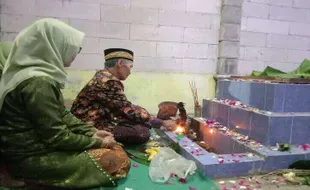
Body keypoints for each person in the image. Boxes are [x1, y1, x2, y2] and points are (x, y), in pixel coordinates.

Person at [0, 18, 130, 189]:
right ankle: (29, 178)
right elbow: (56, 136)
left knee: (116, 147)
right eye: (75, 47)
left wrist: (92, 132)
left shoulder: (37, 76)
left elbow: (62, 114)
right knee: (116, 159)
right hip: (30, 157)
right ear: (54, 45)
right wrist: (97, 142)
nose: (76, 53)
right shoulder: (38, 82)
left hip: (30, 149)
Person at [71, 48, 176, 145]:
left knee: (139, 120)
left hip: (91, 119)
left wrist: (146, 117)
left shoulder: (103, 75)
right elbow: (127, 110)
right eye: (130, 67)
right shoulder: (109, 81)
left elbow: (122, 105)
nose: (130, 72)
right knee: (141, 132)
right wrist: (161, 122)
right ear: (120, 63)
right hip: (87, 125)